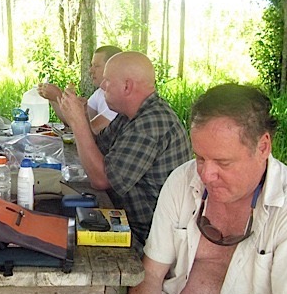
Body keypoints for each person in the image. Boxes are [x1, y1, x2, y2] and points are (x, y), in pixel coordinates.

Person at [81, 84, 287, 294]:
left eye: (223, 163)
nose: (206, 174)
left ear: (263, 146)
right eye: (200, 157)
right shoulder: (182, 179)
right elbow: (151, 272)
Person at [59, 51, 191, 249]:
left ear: (127, 86)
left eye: (107, 81)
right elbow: (97, 148)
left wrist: (77, 123)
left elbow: (101, 179)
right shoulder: (131, 114)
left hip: (148, 237)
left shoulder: (150, 123)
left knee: (63, 243)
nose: (102, 86)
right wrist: (81, 116)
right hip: (126, 218)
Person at [38, 45, 121, 134]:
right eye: (91, 65)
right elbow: (71, 122)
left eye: (96, 66)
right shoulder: (100, 93)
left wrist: (59, 96)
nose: (91, 70)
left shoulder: (120, 99)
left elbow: (90, 131)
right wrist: (54, 99)